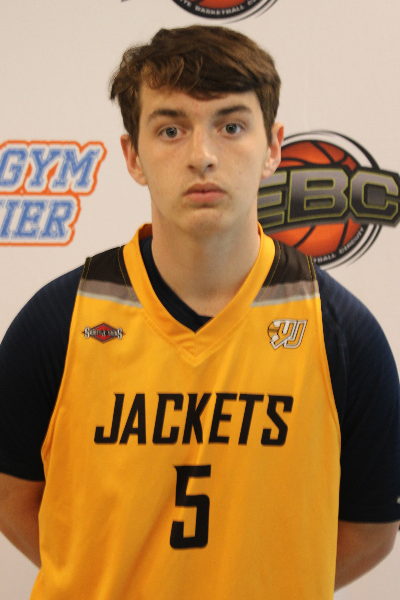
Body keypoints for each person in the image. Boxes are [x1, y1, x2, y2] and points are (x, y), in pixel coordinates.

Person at [0, 25, 399, 600]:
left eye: (231, 126)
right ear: (133, 156)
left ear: (273, 148)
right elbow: (11, 496)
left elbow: (372, 530)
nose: (203, 156)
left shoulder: (341, 334)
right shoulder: (58, 321)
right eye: (171, 130)